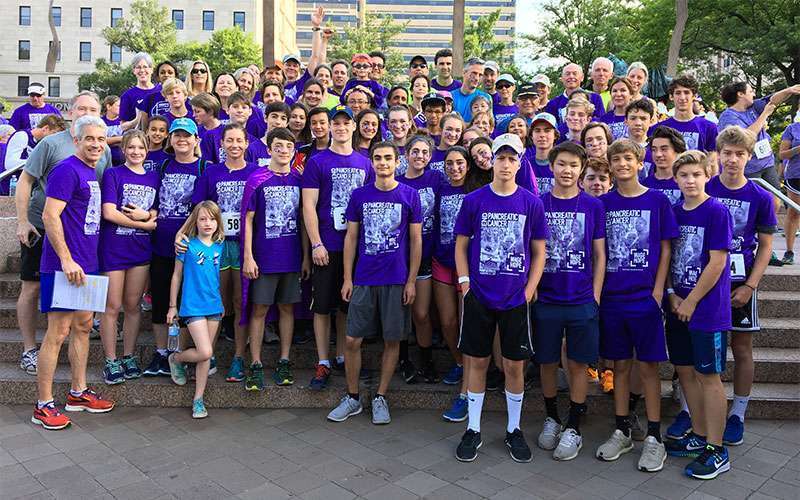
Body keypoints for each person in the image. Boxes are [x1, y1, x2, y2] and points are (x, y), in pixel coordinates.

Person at [453, 133, 547, 462]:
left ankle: (513, 429)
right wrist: (465, 284)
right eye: (501, 157)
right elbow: (461, 245)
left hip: (515, 297)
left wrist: (529, 289)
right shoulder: (474, 200)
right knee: (478, 361)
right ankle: (473, 428)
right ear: (492, 160)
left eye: (512, 158)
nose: (506, 164)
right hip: (479, 293)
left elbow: (539, 251)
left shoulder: (531, 203)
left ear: (520, 163)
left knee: (513, 365)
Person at [595, 139, 678, 472]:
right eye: (616, 159)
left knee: (648, 367)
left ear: (640, 162)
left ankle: (655, 436)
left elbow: (666, 248)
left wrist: (658, 291)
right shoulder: (603, 203)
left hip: (645, 297)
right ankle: (623, 429)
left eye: (628, 158)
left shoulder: (657, 200)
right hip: (613, 297)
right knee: (619, 366)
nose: (622, 164)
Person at [15, 92, 111, 378]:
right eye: (81, 108)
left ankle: (78, 386)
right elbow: (26, 181)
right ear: (71, 112)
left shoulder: (102, 150)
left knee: (79, 322)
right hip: (43, 226)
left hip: (81, 237)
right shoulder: (51, 144)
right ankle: (29, 348)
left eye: (93, 109)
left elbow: (98, 191)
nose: (87, 112)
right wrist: (22, 221)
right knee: (32, 288)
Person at [327, 141, 422, 424]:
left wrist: (411, 280)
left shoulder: (409, 195)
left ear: (397, 162)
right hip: (364, 277)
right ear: (372, 162)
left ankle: (380, 396)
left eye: (388, 158)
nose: (383, 163)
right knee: (351, 339)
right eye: (378, 158)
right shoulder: (359, 195)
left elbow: (416, 240)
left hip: (396, 278)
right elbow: (351, 238)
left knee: (392, 339)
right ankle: (353, 396)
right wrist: (347, 277)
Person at [32, 115, 114, 430]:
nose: (96, 144)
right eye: (89, 138)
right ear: (76, 140)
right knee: (58, 332)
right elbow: (50, 216)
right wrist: (66, 259)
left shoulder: (90, 170)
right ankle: (43, 404)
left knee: (82, 326)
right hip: (64, 266)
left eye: (101, 139)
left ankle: (78, 393)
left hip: (88, 263)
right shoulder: (66, 169)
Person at [664, 150, 733, 480]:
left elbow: (717, 262)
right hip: (678, 305)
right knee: (685, 371)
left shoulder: (716, 211)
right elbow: (668, 255)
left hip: (706, 310)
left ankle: (717, 449)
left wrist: (691, 301)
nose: (690, 180)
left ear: (707, 175)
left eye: (696, 174)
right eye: (684, 175)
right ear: (676, 178)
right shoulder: (675, 211)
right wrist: (672, 294)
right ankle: (700, 433)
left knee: (708, 376)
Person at [705, 126, 777, 447]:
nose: (733, 160)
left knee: (742, 347)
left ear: (749, 157)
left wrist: (750, 285)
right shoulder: (705, 187)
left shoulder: (760, 197)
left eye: (739, 154)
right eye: (727, 153)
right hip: (707, 281)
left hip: (741, 281)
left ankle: (738, 412)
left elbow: (766, 245)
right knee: (705, 345)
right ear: (719, 155)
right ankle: (694, 408)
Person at [533, 142, 604, 462]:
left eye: (574, 165)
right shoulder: (538, 203)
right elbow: (531, 250)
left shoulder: (592, 205)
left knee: (577, 364)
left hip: (581, 298)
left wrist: (596, 294)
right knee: (547, 361)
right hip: (547, 297)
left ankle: (574, 425)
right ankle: (551, 416)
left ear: (581, 169)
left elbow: (599, 254)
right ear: (552, 166)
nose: (567, 170)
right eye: (561, 164)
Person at [302, 105, 374, 389]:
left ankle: (344, 356)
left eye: (346, 123)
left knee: (348, 305)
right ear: (330, 127)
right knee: (322, 306)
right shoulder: (317, 162)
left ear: (354, 127)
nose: (341, 127)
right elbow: (308, 205)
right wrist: (316, 243)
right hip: (327, 245)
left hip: (354, 248)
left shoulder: (365, 163)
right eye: (337, 123)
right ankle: (323, 360)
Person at [191, 124, 258, 384]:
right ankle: (209, 355)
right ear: (221, 144)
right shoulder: (211, 172)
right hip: (216, 245)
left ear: (246, 143)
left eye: (239, 140)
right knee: (216, 301)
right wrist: (185, 235)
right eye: (229, 140)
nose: (234, 145)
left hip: (243, 245)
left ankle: (239, 357)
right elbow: (199, 208)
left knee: (240, 302)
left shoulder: (255, 172)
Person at [240, 128, 306, 388]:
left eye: (288, 146)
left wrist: (306, 256)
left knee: (288, 308)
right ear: (269, 150)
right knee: (260, 309)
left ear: (294, 150)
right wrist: (248, 256)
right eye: (278, 146)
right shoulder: (257, 179)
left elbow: (304, 221)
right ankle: (255, 363)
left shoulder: (299, 179)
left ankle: (284, 360)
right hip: (264, 257)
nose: (283, 150)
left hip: (291, 256)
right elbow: (248, 219)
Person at [142, 118, 206, 377]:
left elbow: (201, 208)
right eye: (177, 135)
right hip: (161, 244)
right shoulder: (164, 165)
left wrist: (184, 232)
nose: (182, 140)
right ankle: (161, 352)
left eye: (187, 135)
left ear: (196, 140)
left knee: (185, 303)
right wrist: (148, 216)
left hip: (190, 247)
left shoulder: (203, 167)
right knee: (160, 300)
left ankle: (178, 352)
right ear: (170, 139)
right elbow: (154, 201)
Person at [99, 130, 159, 385]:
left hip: (140, 250)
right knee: (112, 306)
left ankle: (128, 355)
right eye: (131, 147)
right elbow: (109, 212)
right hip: (114, 247)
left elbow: (156, 210)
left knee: (133, 306)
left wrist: (148, 216)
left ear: (147, 150)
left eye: (140, 147)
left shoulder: (154, 177)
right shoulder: (113, 174)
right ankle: (111, 359)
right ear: (123, 149)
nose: (136, 152)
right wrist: (143, 224)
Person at [166, 201, 225, 419]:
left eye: (212, 219)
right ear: (195, 222)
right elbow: (176, 276)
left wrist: (221, 302)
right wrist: (172, 306)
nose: (207, 223)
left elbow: (217, 278)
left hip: (214, 305)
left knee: (204, 356)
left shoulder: (220, 245)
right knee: (206, 351)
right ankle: (177, 358)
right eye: (202, 219)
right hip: (192, 306)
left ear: (218, 222)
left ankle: (198, 399)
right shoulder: (186, 245)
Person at [397, 135, 439, 383]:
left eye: (424, 152)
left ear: (430, 156)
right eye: (415, 151)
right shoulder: (398, 181)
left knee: (421, 314)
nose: (420, 156)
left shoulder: (436, 179)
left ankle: (427, 359)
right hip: (399, 256)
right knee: (401, 312)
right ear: (406, 154)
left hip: (426, 254)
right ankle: (403, 359)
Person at [434, 147, 469, 422]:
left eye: (459, 163)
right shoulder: (440, 189)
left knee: (466, 325)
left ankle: (466, 392)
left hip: (466, 265)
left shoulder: (475, 191)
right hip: (442, 259)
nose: (454, 168)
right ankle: (458, 362)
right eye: (449, 163)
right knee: (447, 322)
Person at [653, 75, 718, 168]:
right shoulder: (659, 129)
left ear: (694, 96)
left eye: (686, 92)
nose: (682, 97)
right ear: (671, 96)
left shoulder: (709, 127)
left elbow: (714, 162)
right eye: (678, 93)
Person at [3, 115, 66, 199]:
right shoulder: (22, 136)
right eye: (54, 134)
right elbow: (9, 164)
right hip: (12, 186)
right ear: (46, 128)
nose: (55, 139)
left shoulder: (41, 142)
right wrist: (37, 162)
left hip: (28, 187)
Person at [282, 6, 328, 102]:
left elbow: (315, 56)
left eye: (295, 65)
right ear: (283, 67)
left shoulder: (303, 82)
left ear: (299, 68)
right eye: (288, 65)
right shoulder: (275, 86)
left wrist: (316, 27)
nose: (291, 68)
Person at [644, 126, 686, 204]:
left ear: (678, 151)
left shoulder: (686, 183)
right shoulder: (645, 185)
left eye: (664, 149)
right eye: (654, 150)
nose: (658, 154)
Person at [118, 52, 158, 128]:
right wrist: (137, 120)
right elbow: (123, 126)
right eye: (138, 67)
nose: (142, 70)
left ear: (151, 69)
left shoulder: (161, 90)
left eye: (145, 67)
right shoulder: (128, 95)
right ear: (134, 71)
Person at [779, 119, 800, 264]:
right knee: (794, 212)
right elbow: (782, 155)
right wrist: (798, 149)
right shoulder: (792, 129)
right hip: (795, 176)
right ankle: (789, 251)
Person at [452, 58, 491, 123]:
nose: (477, 78)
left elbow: (489, 124)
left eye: (480, 75)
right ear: (464, 72)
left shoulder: (486, 98)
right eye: (474, 73)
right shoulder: (451, 97)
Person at [626, 99, 657, 178]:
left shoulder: (656, 150)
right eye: (633, 118)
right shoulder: (618, 149)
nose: (638, 123)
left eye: (643, 119)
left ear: (651, 121)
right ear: (626, 121)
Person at [530, 112, 559, 195]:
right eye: (537, 131)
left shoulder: (562, 164)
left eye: (547, 131)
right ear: (531, 136)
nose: (542, 135)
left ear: (555, 135)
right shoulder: (526, 165)